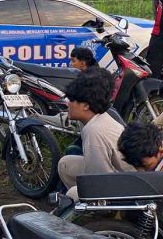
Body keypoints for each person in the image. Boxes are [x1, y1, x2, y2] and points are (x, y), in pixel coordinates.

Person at [57, 68, 135, 198]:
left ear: (86, 106)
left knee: (72, 194)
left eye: (71, 100)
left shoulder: (95, 130)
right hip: (117, 175)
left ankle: (104, 213)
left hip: (127, 186)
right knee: (66, 164)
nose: (67, 104)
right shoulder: (98, 117)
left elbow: (98, 179)